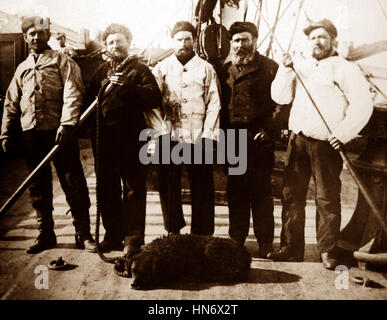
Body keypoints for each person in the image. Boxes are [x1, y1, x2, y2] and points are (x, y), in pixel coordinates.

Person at [269, 19, 374, 269]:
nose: (317, 41)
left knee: (327, 198)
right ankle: (290, 248)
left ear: (333, 41)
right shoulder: (300, 64)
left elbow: (362, 104)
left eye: (323, 37)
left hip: (327, 143)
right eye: (313, 37)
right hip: (298, 139)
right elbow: (280, 97)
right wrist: (285, 70)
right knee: (291, 195)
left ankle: (328, 251)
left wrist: (344, 132)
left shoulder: (345, 69)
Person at [0, 16, 95, 253]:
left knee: (73, 182)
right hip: (32, 132)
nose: (36, 37)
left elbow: (73, 92)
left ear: (48, 34)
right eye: (31, 33)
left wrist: (67, 123)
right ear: (25, 38)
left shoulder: (63, 61)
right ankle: (45, 234)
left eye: (40, 33)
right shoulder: (22, 69)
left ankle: (83, 233)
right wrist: (5, 134)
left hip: (60, 131)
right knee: (38, 186)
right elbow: (11, 103)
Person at [84, 23, 162, 253]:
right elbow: (88, 104)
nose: (115, 45)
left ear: (128, 43)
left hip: (132, 140)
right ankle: (112, 235)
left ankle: (133, 238)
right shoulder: (100, 73)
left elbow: (154, 97)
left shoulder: (139, 70)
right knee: (106, 188)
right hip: (104, 141)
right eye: (111, 42)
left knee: (133, 189)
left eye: (120, 41)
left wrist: (128, 87)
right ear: (106, 47)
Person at [152, 21, 221, 235]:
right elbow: (153, 104)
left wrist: (208, 134)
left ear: (194, 40)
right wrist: (161, 132)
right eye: (179, 39)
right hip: (169, 134)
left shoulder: (206, 69)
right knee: (168, 185)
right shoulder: (161, 68)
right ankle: (173, 230)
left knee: (202, 185)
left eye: (187, 39)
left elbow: (214, 103)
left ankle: (201, 233)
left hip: (198, 135)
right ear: (173, 41)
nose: (183, 43)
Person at [218, 22, 278, 257]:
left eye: (245, 40)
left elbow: (282, 103)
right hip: (232, 138)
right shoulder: (223, 70)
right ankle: (237, 238)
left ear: (254, 40)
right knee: (236, 190)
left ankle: (265, 243)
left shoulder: (270, 68)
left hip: (258, 140)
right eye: (236, 41)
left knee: (261, 192)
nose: (240, 45)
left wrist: (269, 129)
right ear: (231, 44)